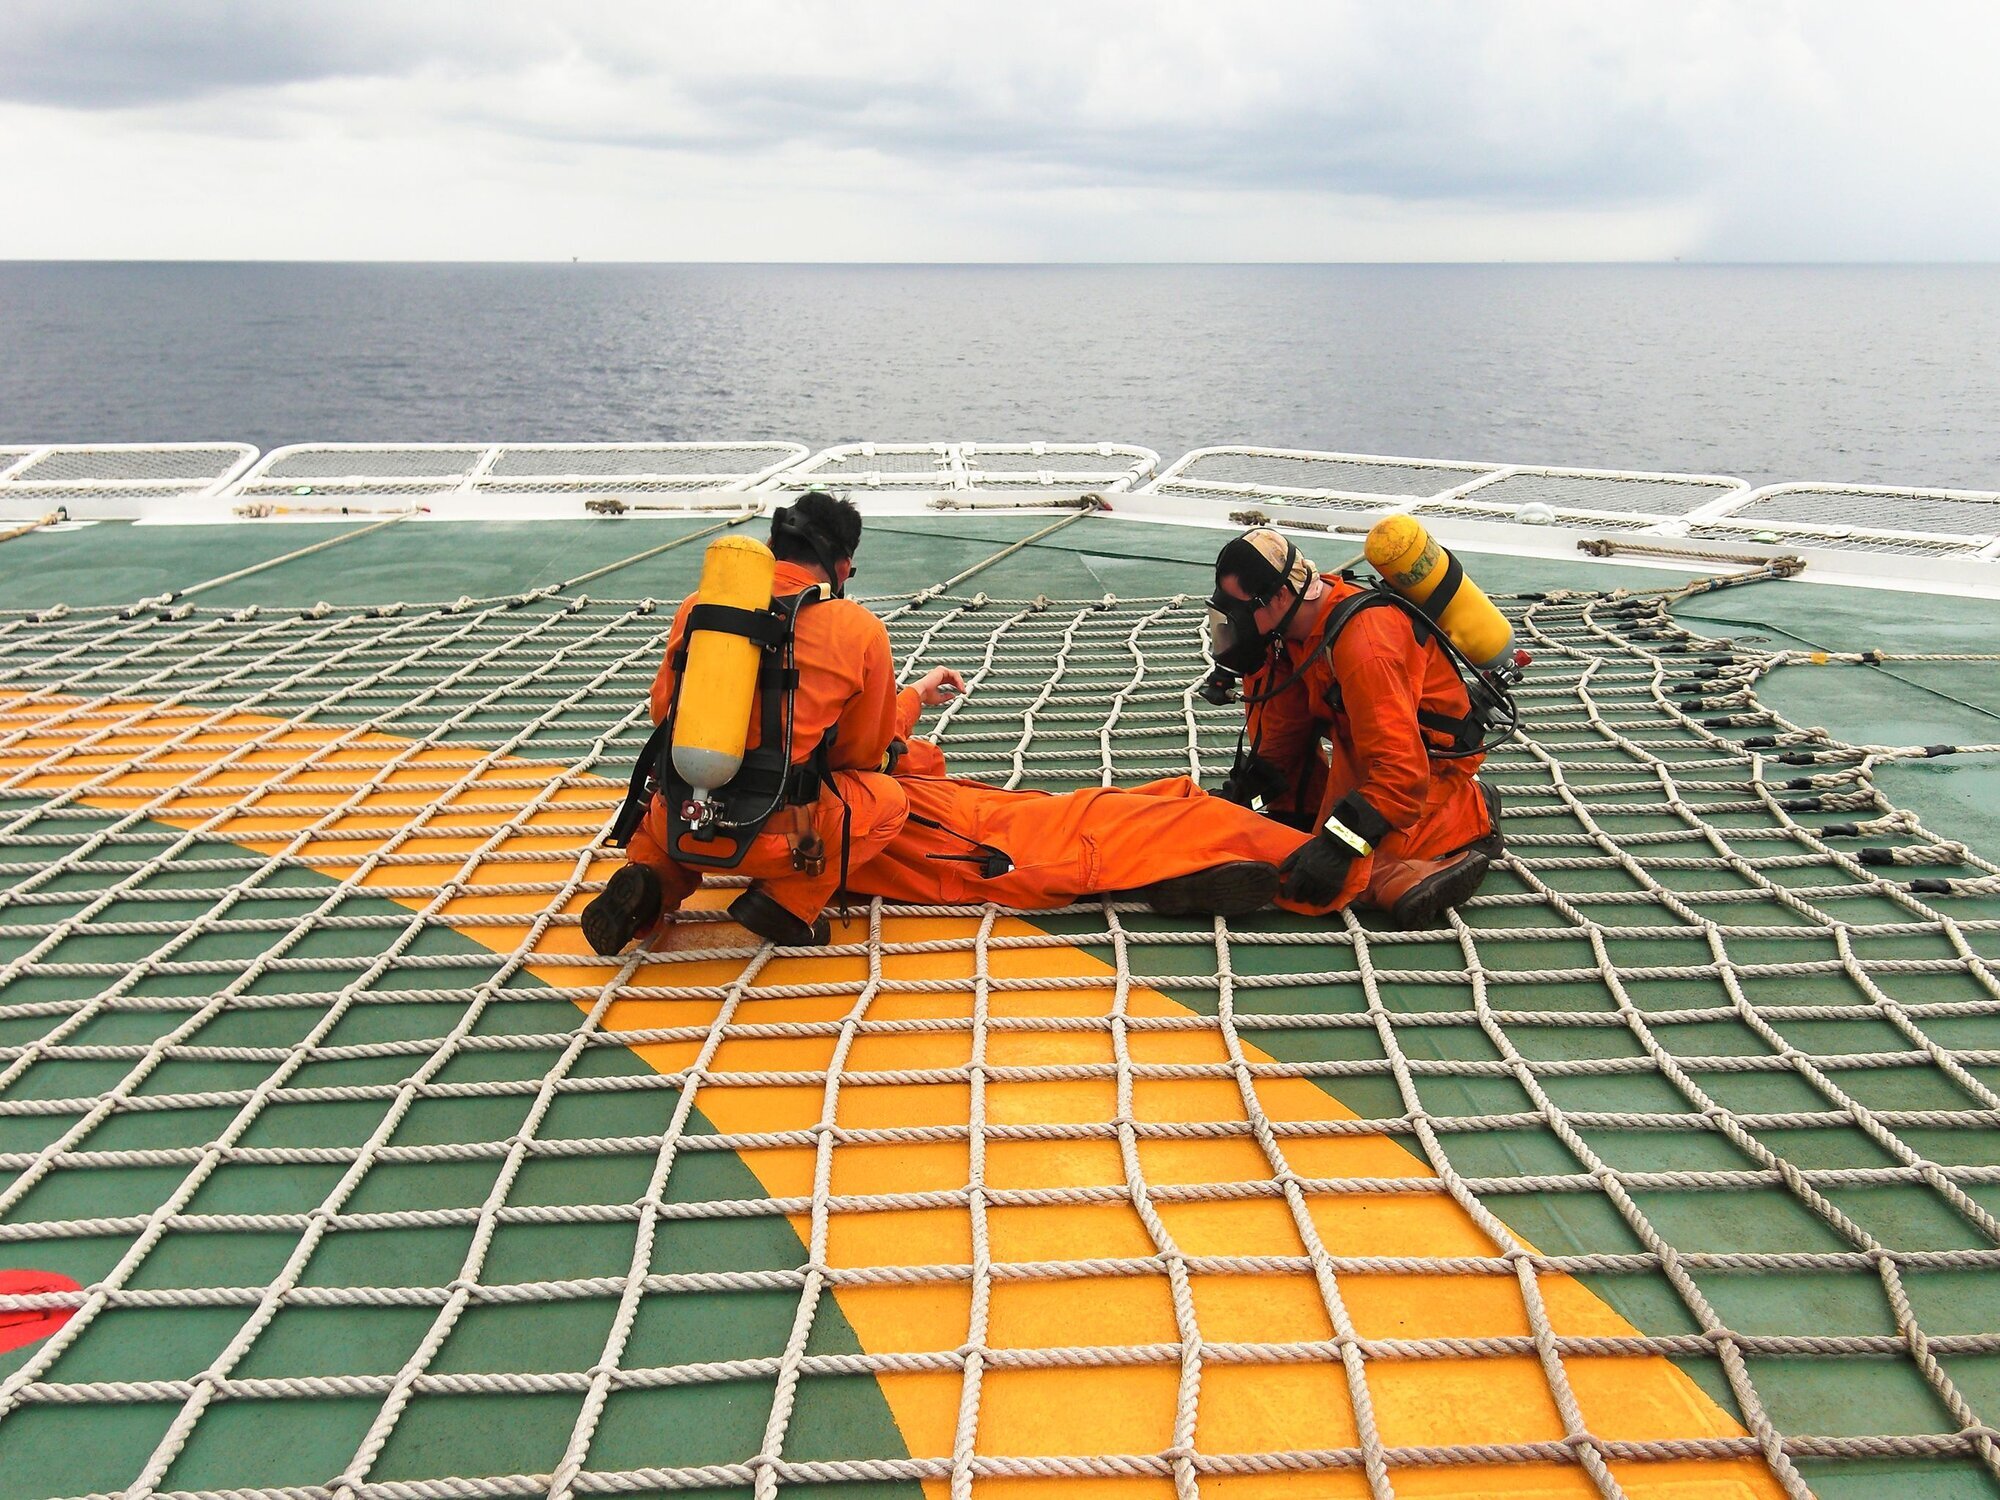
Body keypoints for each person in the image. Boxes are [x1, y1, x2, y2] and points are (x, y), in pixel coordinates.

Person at [581, 491, 906, 952]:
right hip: (782, 836)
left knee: (675, 812)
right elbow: (862, 753)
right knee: (889, 801)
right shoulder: (858, 629)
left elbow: (662, 712)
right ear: (842, 565)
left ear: (771, 544)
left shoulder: (700, 606)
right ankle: (787, 903)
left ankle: (653, 880)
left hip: (677, 817)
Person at [1207, 527, 1501, 928]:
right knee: (1284, 834)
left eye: (1241, 608)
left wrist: (1340, 845)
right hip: (1363, 741)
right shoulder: (1291, 630)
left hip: (1425, 760)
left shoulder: (1365, 644)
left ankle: (1469, 812)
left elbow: (1401, 770)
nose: (1233, 622)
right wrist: (1251, 790)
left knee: (1328, 880)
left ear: (1278, 597)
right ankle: (1333, 823)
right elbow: (1287, 727)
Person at [844, 681, 1309, 914]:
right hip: (966, 844)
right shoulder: (838, 796)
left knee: (1170, 799)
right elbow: (861, 749)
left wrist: (912, 698)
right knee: (1123, 830)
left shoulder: (798, 744)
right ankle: (1331, 870)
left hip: (967, 817)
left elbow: (863, 743)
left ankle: (1163, 876)